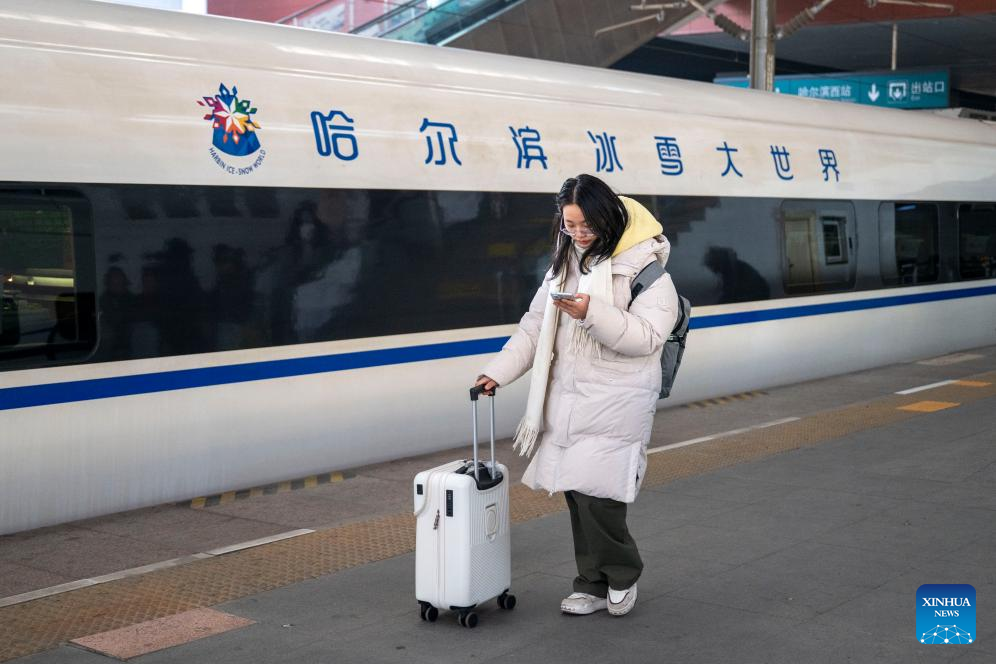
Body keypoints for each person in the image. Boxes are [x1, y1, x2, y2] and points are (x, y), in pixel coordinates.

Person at [474, 174, 679, 617]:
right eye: (570, 225)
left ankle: (622, 576)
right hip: (567, 401)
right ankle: (591, 583)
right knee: (577, 496)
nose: (579, 233)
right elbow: (534, 326)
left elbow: (648, 337)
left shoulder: (647, 271)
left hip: (615, 403)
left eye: (587, 225)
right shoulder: (564, 265)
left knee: (600, 500)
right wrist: (498, 372)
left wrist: (592, 312)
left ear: (608, 217)